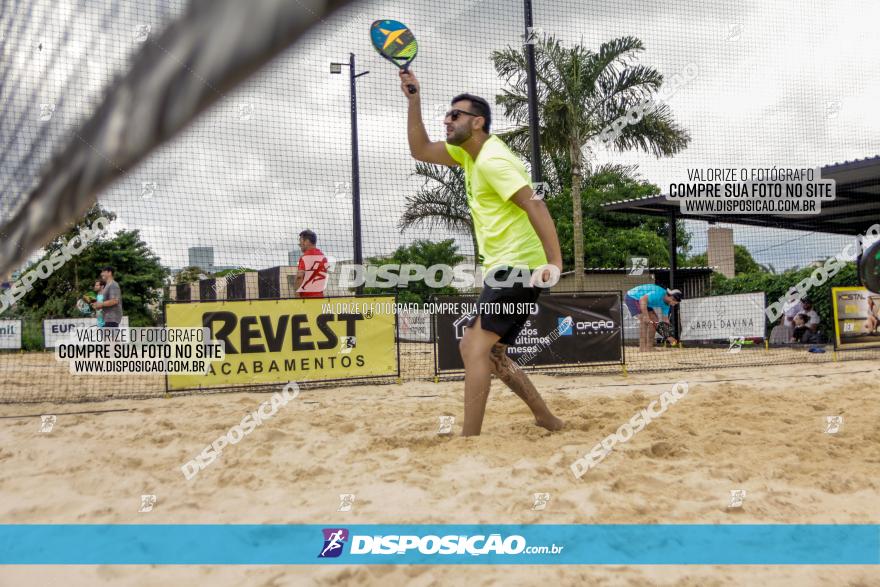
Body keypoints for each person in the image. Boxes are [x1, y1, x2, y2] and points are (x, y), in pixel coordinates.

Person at [400, 68, 563, 436]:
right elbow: (419, 150)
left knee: (472, 347)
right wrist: (414, 101)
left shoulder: (492, 159)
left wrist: (555, 261)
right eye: (447, 114)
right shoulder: (469, 156)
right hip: (507, 268)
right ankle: (545, 417)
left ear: (477, 122)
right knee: (491, 354)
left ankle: (469, 438)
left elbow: (534, 203)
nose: (447, 119)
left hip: (518, 267)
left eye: (454, 114)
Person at [624, 284, 682, 352]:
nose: (674, 304)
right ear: (671, 297)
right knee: (644, 320)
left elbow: (665, 321)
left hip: (644, 301)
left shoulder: (667, 304)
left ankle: (649, 347)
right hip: (633, 297)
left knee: (655, 320)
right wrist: (646, 316)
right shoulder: (657, 294)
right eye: (674, 302)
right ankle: (642, 348)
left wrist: (668, 336)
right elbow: (642, 300)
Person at [294, 229, 328, 298]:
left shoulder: (305, 257)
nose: (300, 245)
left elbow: (299, 276)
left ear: (306, 242)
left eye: (300, 241)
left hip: (306, 299)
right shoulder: (323, 258)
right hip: (320, 298)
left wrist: (297, 295)